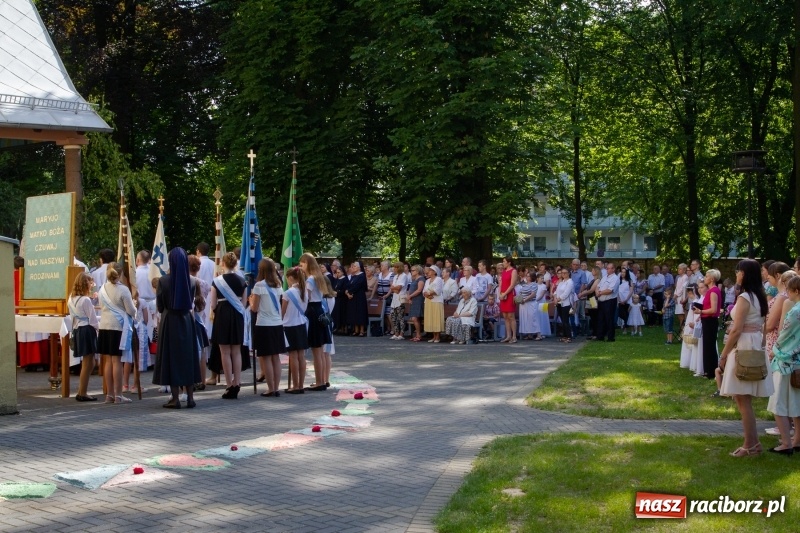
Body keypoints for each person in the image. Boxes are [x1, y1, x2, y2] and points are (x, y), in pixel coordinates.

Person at [719, 259, 771, 457]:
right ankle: (753, 443)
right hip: (754, 343)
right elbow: (762, 326)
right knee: (744, 397)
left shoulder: (745, 297)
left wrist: (723, 354)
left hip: (744, 345)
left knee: (742, 398)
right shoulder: (759, 295)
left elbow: (737, 329)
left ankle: (750, 445)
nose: (737, 274)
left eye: (738, 271)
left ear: (744, 273)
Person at [152, 248, 202, 408]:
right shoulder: (193, 281)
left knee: (171, 358)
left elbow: (160, 306)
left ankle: (175, 398)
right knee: (187, 356)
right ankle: (190, 397)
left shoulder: (164, 281)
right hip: (187, 321)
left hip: (170, 320)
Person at [767, 275, 800, 454]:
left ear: (796, 291)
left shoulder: (795, 311)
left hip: (786, 362)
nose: (786, 293)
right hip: (798, 363)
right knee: (796, 404)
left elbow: (785, 335)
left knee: (777, 403)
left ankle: (786, 443)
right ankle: (797, 440)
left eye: (789, 290)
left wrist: (774, 350)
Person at [208, 252, 248, 399]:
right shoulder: (242, 280)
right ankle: (238, 382)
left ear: (223, 264)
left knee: (224, 352)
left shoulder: (217, 281)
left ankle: (229, 384)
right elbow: (244, 304)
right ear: (235, 264)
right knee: (236, 351)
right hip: (237, 315)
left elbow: (212, 304)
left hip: (223, 314)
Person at [98, 263, 137, 404]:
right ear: (120, 274)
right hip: (118, 327)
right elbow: (131, 311)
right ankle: (119, 395)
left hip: (104, 326)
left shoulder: (102, 288)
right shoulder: (123, 290)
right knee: (117, 362)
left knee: (108, 361)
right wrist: (135, 305)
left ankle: (109, 394)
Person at [249, 258, 285, 397]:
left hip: (264, 324)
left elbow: (254, 308)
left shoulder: (259, 285)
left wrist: (251, 300)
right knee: (276, 357)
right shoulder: (278, 284)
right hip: (277, 323)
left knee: (265, 357)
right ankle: (276, 387)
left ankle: (270, 388)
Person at [299, 253, 334, 390]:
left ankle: (319, 382)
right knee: (319, 351)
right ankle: (321, 380)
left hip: (313, 312)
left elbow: (305, 297)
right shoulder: (318, 278)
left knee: (316, 350)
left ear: (308, 263)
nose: (301, 265)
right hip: (320, 311)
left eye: (302, 263)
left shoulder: (310, 280)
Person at [69, 272, 100, 402]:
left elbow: (74, 316)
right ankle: (83, 392)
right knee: (88, 363)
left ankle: (82, 391)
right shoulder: (85, 300)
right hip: (87, 329)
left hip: (78, 329)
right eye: (90, 282)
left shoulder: (71, 298)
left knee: (87, 362)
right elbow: (93, 320)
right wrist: (98, 330)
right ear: (85, 284)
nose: (92, 285)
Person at [282, 267, 309, 394]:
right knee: (301, 356)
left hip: (290, 325)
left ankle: (295, 385)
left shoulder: (288, 293)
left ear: (291, 278)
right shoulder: (305, 291)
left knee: (293, 356)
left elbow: (282, 312)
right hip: (302, 324)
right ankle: (301, 385)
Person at [700, 269, 723, 379]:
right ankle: (709, 370)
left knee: (709, 346)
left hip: (710, 320)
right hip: (707, 320)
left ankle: (710, 371)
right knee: (708, 345)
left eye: (706, 276)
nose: (705, 278)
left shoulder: (713, 291)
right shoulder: (711, 290)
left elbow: (713, 309)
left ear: (712, 279)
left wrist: (700, 311)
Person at [596, 262, 619, 342]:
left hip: (609, 301)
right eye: (607, 268)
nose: (607, 270)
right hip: (601, 301)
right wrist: (597, 292)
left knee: (609, 319)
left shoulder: (615, 278)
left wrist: (600, 293)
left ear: (613, 269)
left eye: (609, 268)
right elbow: (598, 286)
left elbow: (610, 290)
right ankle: (600, 336)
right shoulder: (605, 277)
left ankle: (610, 337)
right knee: (601, 319)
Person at [498, 256, 519, 343]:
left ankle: (514, 336)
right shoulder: (503, 271)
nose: (503, 263)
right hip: (503, 294)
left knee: (511, 316)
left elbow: (512, 285)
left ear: (509, 262)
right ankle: (508, 336)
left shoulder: (513, 271)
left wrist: (505, 293)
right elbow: (501, 283)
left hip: (510, 294)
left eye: (504, 261)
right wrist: (500, 293)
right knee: (505, 316)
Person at [517, 271, 542, 340]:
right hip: (523, 304)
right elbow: (521, 293)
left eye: (529, 276)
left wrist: (525, 300)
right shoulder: (524, 285)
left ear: (532, 277)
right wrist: (519, 300)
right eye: (527, 276)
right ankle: (529, 334)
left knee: (533, 318)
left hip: (531, 303)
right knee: (526, 319)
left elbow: (533, 294)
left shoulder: (534, 284)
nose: (527, 277)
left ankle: (538, 334)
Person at [345, 261, 368, 336]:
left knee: (360, 313)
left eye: (354, 266)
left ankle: (361, 330)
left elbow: (358, 286)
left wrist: (350, 292)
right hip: (352, 297)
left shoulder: (362, 275)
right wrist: (348, 293)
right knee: (353, 313)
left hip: (359, 297)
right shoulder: (353, 276)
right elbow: (348, 285)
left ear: (359, 268)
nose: (353, 267)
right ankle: (356, 329)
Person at [388, 261, 410, 340]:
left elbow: (399, 288)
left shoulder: (403, 276)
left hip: (401, 298)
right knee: (393, 316)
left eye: (396, 267)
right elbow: (394, 288)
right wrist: (394, 288)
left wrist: (394, 288)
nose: (394, 269)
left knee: (400, 316)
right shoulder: (395, 276)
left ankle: (401, 333)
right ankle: (396, 332)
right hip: (394, 298)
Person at [423, 266, 444, 343]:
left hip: (436, 301)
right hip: (428, 300)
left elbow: (438, 290)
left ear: (435, 272)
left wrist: (428, 293)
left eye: (431, 270)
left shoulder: (439, 279)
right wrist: (426, 295)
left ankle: (438, 336)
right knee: (430, 318)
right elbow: (424, 290)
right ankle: (433, 336)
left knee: (436, 318)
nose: (428, 272)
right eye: (428, 270)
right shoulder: (427, 280)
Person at [554, 268, 574, 343]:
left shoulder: (570, 282)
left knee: (566, 321)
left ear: (568, 273)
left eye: (565, 273)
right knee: (562, 320)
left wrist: (558, 299)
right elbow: (556, 291)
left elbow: (566, 293)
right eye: (562, 273)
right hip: (559, 304)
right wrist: (555, 298)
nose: (563, 274)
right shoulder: (561, 282)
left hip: (566, 304)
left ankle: (569, 336)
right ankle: (565, 336)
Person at [406, 265, 426, 341]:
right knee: (414, 318)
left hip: (418, 300)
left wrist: (410, 296)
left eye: (413, 270)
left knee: (415, 318)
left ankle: (418, 335)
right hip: (413, 299)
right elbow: (409, 289)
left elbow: (419, 290)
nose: (411, 272)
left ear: (417, 271)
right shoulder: (414, 279)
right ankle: (417, 334)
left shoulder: (421, 279)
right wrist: (409, 297)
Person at [617, 267, 633, 335]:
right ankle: (625, 325)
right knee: (621, 313)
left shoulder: (629, 281)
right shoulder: (618, 281)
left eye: (624, 272)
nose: (623, 273)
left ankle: (625, 327)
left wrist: (626, 299)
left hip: (627, 300)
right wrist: (619, 300)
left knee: (626, 314)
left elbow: (631, 291)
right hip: (620, 300)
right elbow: (616, 291)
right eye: (622, 272)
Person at [535, 273, 551, 337]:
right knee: (537, 317)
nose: (542, 280)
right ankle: (537, 332)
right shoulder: (535, 285)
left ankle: (543, 332)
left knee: (543, 317)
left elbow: (541, 295)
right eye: (541, 278)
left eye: (543, 278)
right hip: (536, 303)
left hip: (542, 303)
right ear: (537, 279)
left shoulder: (544, 286)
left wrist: (535, 300)